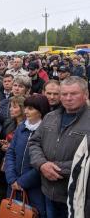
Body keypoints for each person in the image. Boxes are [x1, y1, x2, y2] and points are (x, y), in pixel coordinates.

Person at [29, 76, 90, 218]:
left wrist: (55, 168)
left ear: (85, 94)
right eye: (64, 94)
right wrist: (42, 164)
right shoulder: (51, 117)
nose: (68, 98)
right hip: (49, 192)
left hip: (78, 197)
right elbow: (34, 142)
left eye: (74, 94)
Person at [5, 94, 50, 218]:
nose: (25, 111)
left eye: (30, 108)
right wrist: (12, 178)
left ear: (40, 111)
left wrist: (22, 182)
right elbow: (10, 153)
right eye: (25, 108)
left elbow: (44, 162)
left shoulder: (47, 132)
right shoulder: (21, 127)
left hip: (34, 189)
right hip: (13, 185)